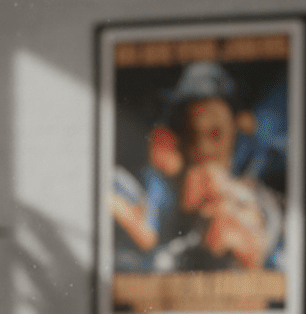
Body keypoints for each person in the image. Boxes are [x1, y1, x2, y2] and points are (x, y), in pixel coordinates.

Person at [112, 60, 286, 274]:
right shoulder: (163, 180)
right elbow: (145, 231)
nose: (202, 142)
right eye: (191, 128)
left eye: (214, 130)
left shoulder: (265, 160)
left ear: (239, 123)